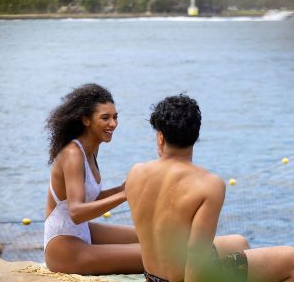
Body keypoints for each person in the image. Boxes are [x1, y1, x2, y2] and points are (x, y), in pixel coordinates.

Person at [126, 94, 294, 282]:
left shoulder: (136, 172)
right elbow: (196, 254)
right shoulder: (209, 184)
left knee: (239, 242)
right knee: (290, 258)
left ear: (160, 137)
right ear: (195, 135)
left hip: (153, 277)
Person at [44, 83, 143, 275]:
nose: (113, 123)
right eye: (105, 118)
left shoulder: (91, 149)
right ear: (86, 120)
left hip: (81, 232)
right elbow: (77, 212)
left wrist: (122, 188)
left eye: (115, 117)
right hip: (63, 248)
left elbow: (90, 198)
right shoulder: (73, 154)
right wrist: (123, 195)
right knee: (156, 254)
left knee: (152, 236)